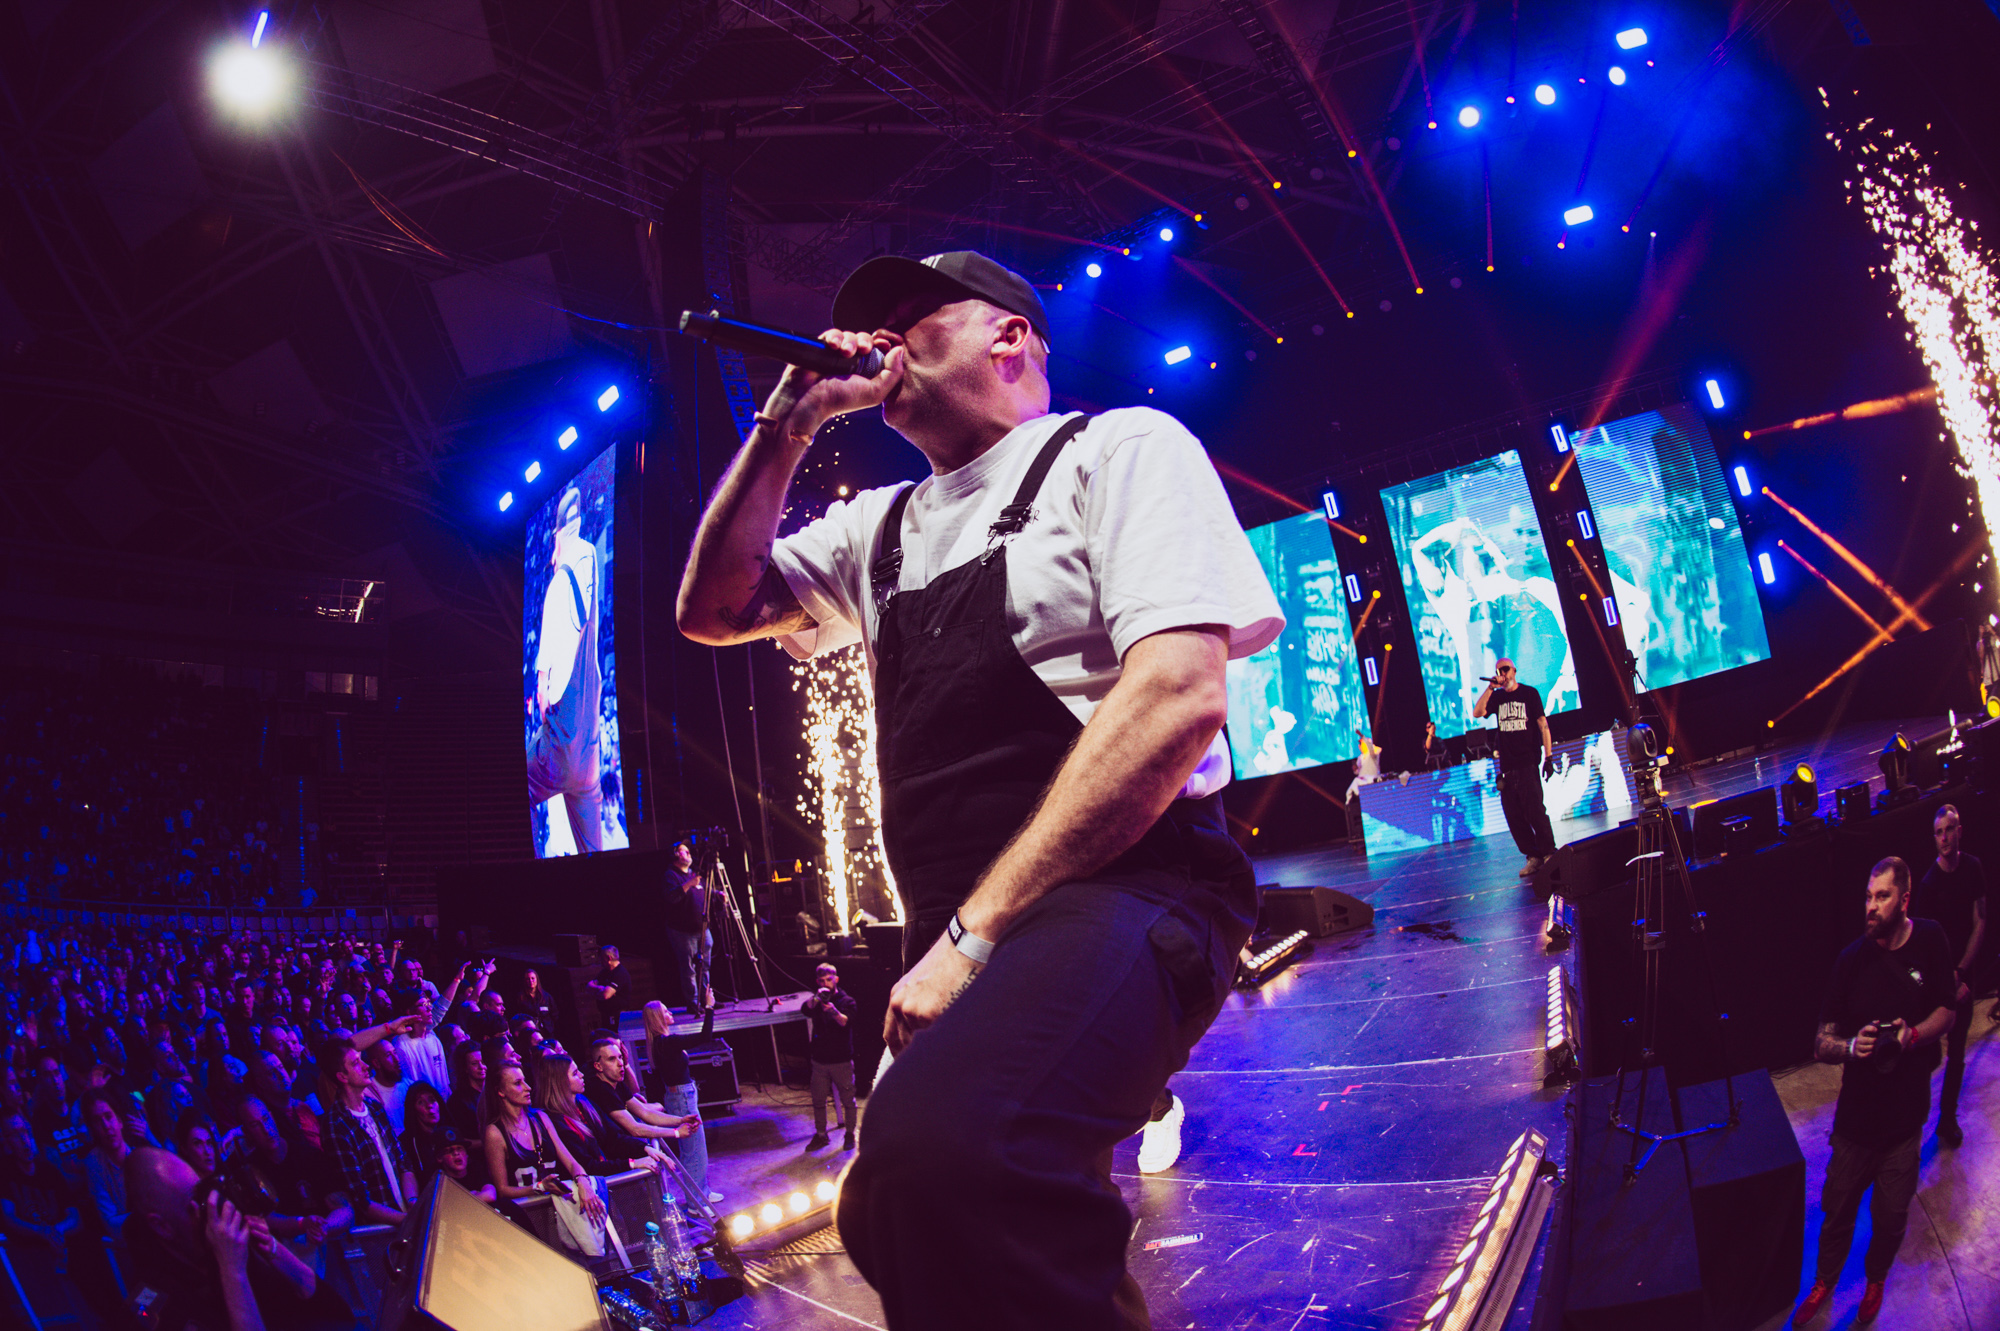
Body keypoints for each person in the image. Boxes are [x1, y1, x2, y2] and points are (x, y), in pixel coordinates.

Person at [675, 248, 1281, 1327]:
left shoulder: (1116, 449)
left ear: (1008, 337)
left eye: (913, 316)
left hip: (1134, 887)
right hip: (964, 924)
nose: (879, 341)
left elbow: (1178, 697)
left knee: (950, 1156)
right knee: (894, 1205)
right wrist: (788, 424)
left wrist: (969, 937)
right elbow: (713, 608)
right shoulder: (878, 527)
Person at [1792, 857, 1956, 1327]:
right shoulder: (1850, 961)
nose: (1871, 906)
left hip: (1905, 1122)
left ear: (1904, 900)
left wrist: (1912, 1037)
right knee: (1837, 1211)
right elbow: (1820, 1043)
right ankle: (1824, 1281)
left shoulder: (1931, 939)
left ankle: (1876, 1279)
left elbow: (1947, 1008)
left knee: (1890, 1218)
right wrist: (1851, 1046)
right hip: (1856, 1123)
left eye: (1882, 897)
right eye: (1868, 896)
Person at [123, 1146, 348, 1331]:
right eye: (193, 1204)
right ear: (161, 1226)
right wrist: (233, 1271)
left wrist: (273, 1248)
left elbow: (338, 1316)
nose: (207, 1211)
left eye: (201, 1193)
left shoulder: (224, 1250)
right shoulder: (153, 1300)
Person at [527, 486, 606, 854]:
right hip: (589, 758)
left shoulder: (559, 585)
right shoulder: (589, 560)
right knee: (596, 854)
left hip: (561, 750)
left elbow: (546, 692)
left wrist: (543, 684)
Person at [1913, 803, 1986, 1147]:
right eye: (1938, 832)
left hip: (1963, 976)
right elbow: (1925, 949)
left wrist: (1962, 973)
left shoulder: (1973, 868)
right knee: (1927, 1057)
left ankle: (1947, 1120)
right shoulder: (1928, 886)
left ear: (1960, 831)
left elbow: (1980, 922)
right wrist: (1948, 983)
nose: (1944, 837)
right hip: (1938, 982)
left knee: (1957, 1053)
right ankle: (1911, 1127)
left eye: (1949, 830)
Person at [480, 1061, 605, 1227]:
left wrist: (583, 1181)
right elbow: (502, 1190)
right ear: (500, 1091)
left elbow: (571, 1162)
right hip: (525, 1217)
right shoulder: (494, 1133)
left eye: (525, 1081)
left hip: (558, 1212)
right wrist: (538, 1187)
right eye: (517, 1083)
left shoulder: (541, 1118)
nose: (528, 1088)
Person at [316, 1038, 417, 1226]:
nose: (365, 1066)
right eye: (356, 1063)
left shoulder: (375, 1108)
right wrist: (405, 1221)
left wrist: (412, 1202)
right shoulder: (336, 1125)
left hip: (405, 1217)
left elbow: (403, 1161)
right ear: (342, 1076)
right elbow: (360, 1199)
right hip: (381, 1231)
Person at [1472, 657, 1556, 876]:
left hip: (1527, 763)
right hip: (1507, 768)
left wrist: (1548, 757)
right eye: (1499, 670)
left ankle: (1549, 853)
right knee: (1514, 817)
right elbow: (1477, 712)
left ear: (1514, 670)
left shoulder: (1529, 694)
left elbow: (1543, 725)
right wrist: (1491, 688)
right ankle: (1533, 856)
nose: (1502, 673)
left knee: (1536, 812)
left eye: (1505, 669)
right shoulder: (1498, 697)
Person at [639, 1001, 716, 1200]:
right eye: (666, 1011)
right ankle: (696, 1201)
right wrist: (709, 1007)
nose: (671, 1013)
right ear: (658, 1018)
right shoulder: (668, 1042)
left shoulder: (659, 1044)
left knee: (695, 1150)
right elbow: (705, 1036)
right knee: (694, 1151)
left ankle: (702, 1193)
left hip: (679, 1096)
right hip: (682, 1098)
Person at [801, 964, 858, 1152]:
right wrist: (816, 998)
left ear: (836, 980)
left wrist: (833, 1011)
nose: (826, 983)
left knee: (848, 1100)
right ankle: (821, 1135)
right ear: (818, 982)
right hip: (819, 1060)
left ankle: (849, 1134)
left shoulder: (847, 1001)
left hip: (841, 1060)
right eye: (822, 980)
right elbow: (805, 1009)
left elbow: (845, 1022)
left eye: (829, 980)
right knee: (818, 1100)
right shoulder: (817, 1000)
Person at [661, 842, 712, 1012]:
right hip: (682, 931)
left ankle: (707, 1000)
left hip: (702, 929)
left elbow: (706, 891)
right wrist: (689, 884)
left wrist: (718, 894)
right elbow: (672, 897)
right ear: (676, 855)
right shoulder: (671, 875)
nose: (689, 854)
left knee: (705, 966)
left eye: (689, 851)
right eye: (684, 851)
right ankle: (693, 1003)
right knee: (689, 968)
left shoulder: (694, 874)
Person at [442, 1041, 486, 1141]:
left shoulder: (494, 1090)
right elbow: (460, 1140)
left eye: (483, 1062)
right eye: (474, 1064)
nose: (481, 1067)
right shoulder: (457, 1102)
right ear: (465, 1068)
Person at [585, 945, 632, 1030]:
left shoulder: (620, 973)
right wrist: (601, 988)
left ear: (609, 958)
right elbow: (589, 987)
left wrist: (599, 991)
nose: (600, 961)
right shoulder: (605, 972)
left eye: (601, 958)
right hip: (606, 1014)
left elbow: (605, 995)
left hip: (617, 1016)